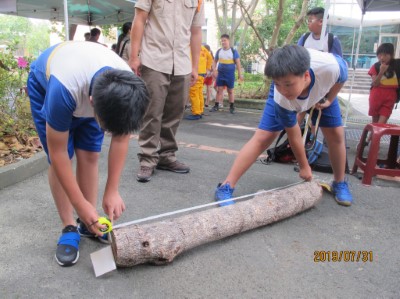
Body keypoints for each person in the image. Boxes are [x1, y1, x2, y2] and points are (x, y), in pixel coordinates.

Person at [27, 41, 149, 267]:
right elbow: (59, 154)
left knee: (91, 154)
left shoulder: (125, 88)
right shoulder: (63, 91)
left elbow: (121, 136)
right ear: (92, 105)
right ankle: (69, 226)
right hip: (47, 85)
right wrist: (80, 205)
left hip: (88, 86)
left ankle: (87, 224)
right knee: (64, 159)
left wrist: (112, 190)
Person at [214, 45, 353, 207]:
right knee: (264, 136)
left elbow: (342, 76)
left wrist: (329, 98)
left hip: (321, 90)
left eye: (288, 85)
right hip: (293, 81)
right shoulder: (282, 96)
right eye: (276, 84)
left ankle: (339, 182)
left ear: (306, 75)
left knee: (336, 135)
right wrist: (304, 166)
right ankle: (226, 186)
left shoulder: (330, 67)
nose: (283, 90)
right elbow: (293, 133)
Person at [129, 0, 205, 183]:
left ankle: (166, 156)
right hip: (154, 59)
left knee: (175, 112)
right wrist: (133, 56)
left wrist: (195, 66)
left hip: (182, 62)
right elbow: (139, 19)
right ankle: (148, 158)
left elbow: (196, 32)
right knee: (152, 111)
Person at [209, 34, 243, 114]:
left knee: (230, 91)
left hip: (230, 75)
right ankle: (216, 106)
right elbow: (214, 61)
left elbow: (238, 63)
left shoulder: (233, 51)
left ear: (228, 41)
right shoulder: (219, 51)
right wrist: (214, 70)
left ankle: (231, 107)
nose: (223, 42)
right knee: (219, 90)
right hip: (220, 74)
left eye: (225, 40)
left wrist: (240, 74)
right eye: (222, 41)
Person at [368, 43, 400, 124]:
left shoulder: (397, 64)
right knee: (375, 125)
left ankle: (372, 137)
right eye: (379, 55)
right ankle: (371, 137)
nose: (382, 58)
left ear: (391, 55)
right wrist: (381, 71)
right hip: (376, 96)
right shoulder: (375, 66)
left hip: (390, 97)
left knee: (381, 124)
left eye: (385, 55)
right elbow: (375, 83)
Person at [186, 45, 213, 120]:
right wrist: (208, 68)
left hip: (195, 73)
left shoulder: (190, 47)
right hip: (202, 73)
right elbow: (210, 58)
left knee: (194, 93)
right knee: (199, 92)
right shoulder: (203, 48)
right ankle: (200, 110)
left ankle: (196, 113)